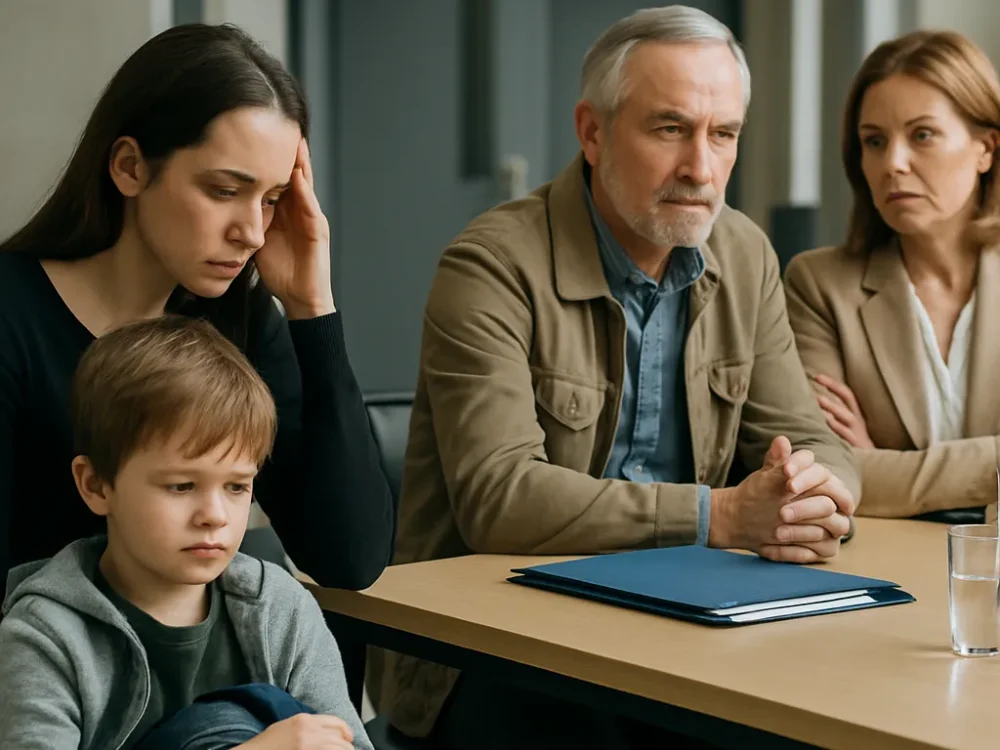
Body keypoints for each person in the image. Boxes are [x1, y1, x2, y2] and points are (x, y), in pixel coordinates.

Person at [374, 6, 859, 748]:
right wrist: (722, 517)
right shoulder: (490, 265)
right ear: (592, 132)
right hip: (494, 643)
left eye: (723, 134)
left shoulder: (745, 254)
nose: (701, 167)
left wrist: (816, 495)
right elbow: (500, 500)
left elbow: (811, 440)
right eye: (670, 128)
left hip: (685, 623)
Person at [0, 24, 394, 588]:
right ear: (130, 167)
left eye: (272, 199)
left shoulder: (242, 323)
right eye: (224, 191)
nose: (253, 232)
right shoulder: (13, 315)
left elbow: (348, 558)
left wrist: (312, 307)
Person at [0, 316, 371, 750]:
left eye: (237, 487)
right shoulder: (44, 635)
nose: (214, 516)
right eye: (181, 486)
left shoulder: (281, 610)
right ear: (96, 485)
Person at [785, 30, 1000, 521]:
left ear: (986, 148)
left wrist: (881, 466)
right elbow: (820, 473)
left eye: (922, 135)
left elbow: (858, 473)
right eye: (874, 142)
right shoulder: (819, 285)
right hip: (882, 563)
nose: (893, 164)